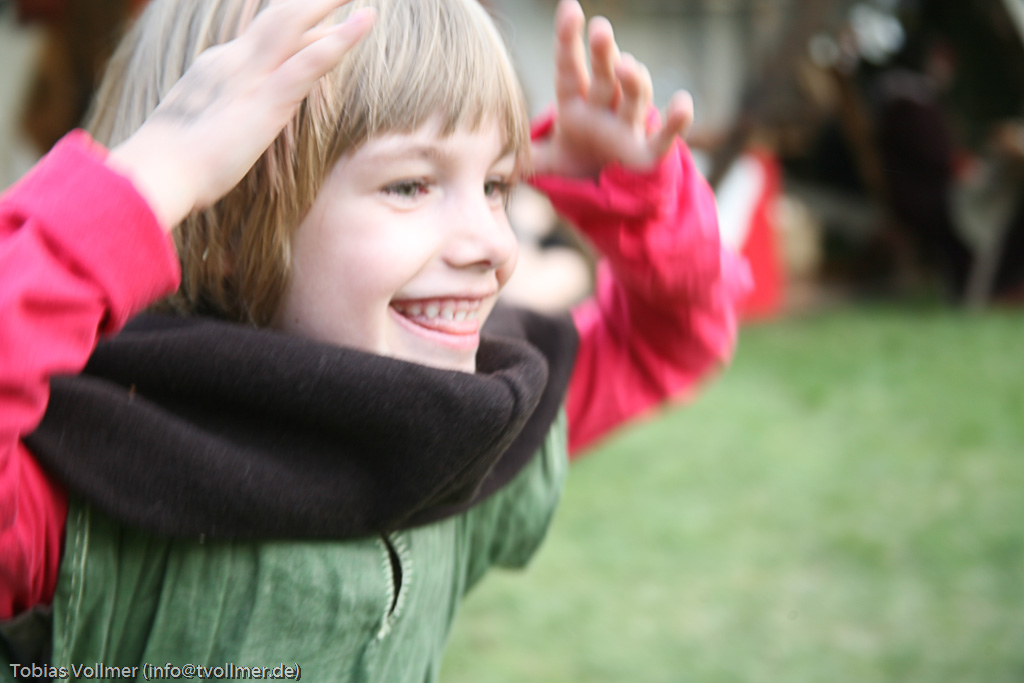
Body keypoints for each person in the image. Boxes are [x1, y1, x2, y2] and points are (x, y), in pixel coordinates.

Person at [0, 0, 748, 679]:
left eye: (496, 185)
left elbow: (666, 345)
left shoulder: (475, 422)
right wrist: (141, 184)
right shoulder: (76, 468)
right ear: (224, 213)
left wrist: (635, 202)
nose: (495, 244)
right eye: (410, 185)